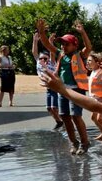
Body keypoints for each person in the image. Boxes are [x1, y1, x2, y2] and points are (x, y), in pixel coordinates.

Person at [37, 19, 92, 154]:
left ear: (74, 45)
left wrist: (83, 32)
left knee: (76, 117)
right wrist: (41, 32)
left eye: (66, 44)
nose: (63, 46)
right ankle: (74, 143)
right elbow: (46, 44)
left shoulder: (80, 55)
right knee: (65, 116)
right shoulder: (61, 55)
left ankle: (85, 143)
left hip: (76, 90)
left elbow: (89, 47)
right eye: (62, 44)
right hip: (63, 90)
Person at [32, 32, 63, 129]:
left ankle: (64, 122)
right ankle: (59, 122)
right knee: (49, 108)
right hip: (48, 88)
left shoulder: (52, 62)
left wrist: (50, 42)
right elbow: (34, 52)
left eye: (45, 58)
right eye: (41, 58)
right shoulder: (38, 63)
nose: (43, 60)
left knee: (54, 108)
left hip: (55, 87)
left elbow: (52, 52)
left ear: (48, 58)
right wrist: (35, 41)